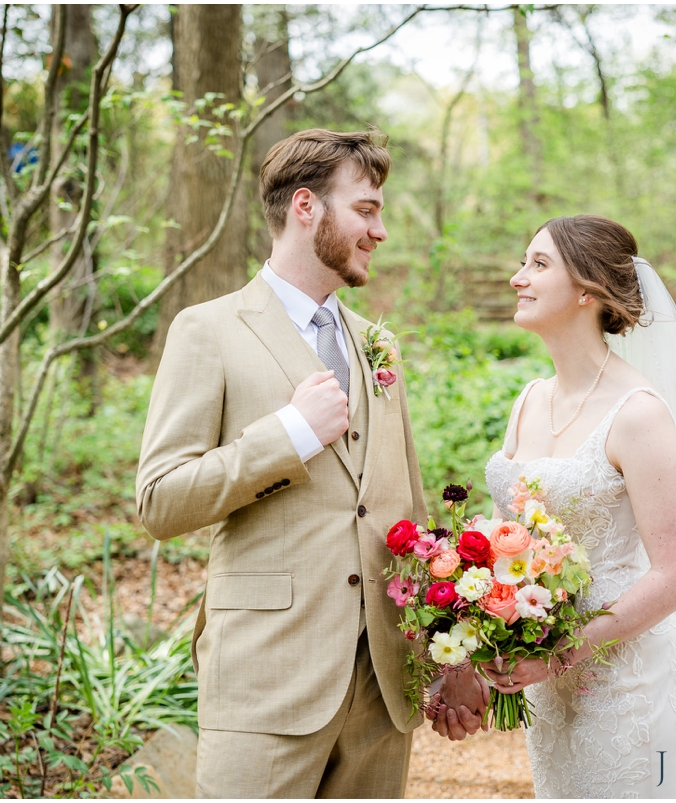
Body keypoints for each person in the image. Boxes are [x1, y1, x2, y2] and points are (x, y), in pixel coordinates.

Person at [135, 128, 487, 798]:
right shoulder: (208, 330)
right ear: (306, 207)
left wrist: (446, 653)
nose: (380, 230)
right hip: (267, 680)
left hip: (381, 688)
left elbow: (406, 511)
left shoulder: (378, 345)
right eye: (366, 209)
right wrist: (290, 434)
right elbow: (159, 501)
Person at [432, 214, 676, 798]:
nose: (517, 278)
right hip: (546, 681)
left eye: (538, 264)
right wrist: (476, 649)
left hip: (626, 678)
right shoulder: (529, 400)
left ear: (588, 290)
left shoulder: (639, 413)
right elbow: (501, 545)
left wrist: (561, 653)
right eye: (524, 262)